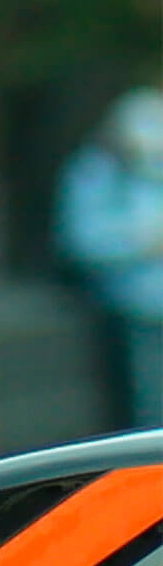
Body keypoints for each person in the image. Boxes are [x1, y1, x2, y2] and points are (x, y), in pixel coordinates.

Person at [55, 86, 163, 430]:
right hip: (129, 311)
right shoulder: (95, 173)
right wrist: (140, 243)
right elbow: (82, 240)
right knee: (143, 409)